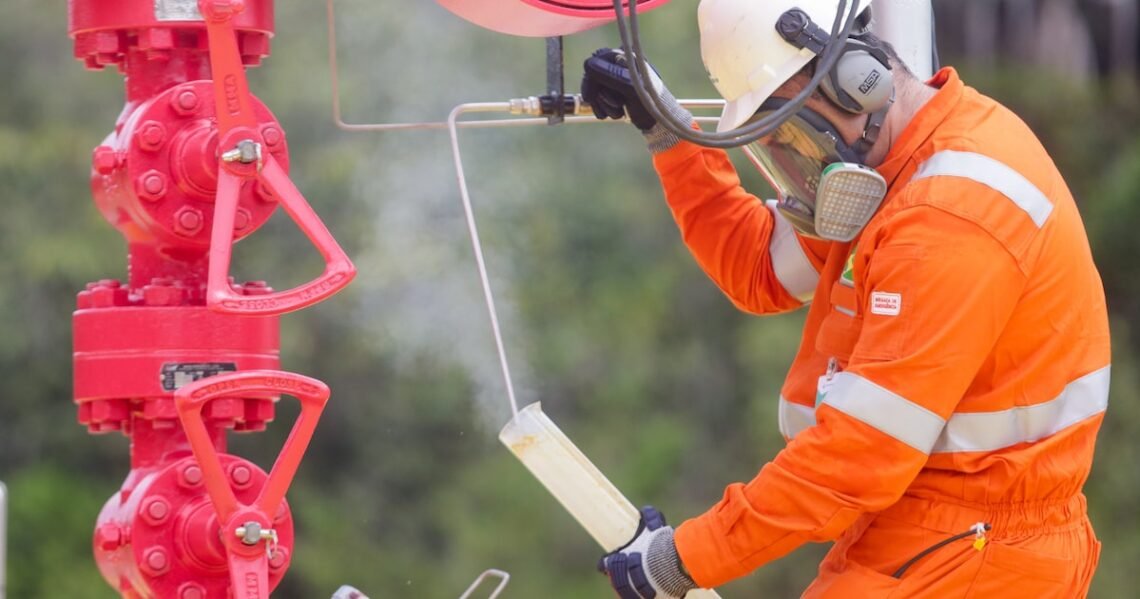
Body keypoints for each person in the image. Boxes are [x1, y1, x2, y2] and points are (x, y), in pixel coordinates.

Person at [580, 0, 1111, 597]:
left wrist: (681, 559)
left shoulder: (949, 211)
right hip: (930, 536)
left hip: (979, 554)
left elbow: (860, 454)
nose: (797, 164)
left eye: (790, 134)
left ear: (856, 78)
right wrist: (668, 131)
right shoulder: (894, 166)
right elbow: (759, 269)